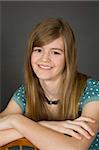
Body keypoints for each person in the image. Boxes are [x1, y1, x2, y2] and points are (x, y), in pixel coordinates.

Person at [0, 18, 99, 150]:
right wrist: (43, 125)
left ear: (68, 58)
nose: (44, 59)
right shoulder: (26, 92)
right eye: (38, 50)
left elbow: (75, 148)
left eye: (55, 52)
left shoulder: (91, 90)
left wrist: (16, 121)